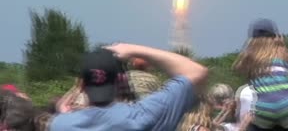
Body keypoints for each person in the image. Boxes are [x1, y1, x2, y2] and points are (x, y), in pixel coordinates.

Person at [49, 43, 208, 131]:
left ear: (82, 85)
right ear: (120, 81)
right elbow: (197, 71)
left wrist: (65, 114)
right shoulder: (145, 115)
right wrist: (133, 49)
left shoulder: (60, 125)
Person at [233, 18, 288, 131]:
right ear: (274, 36)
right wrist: (282, 46)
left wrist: (247, 52)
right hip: (287, 106)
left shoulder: (250, 56)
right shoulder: (280, 51)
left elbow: (237, 69)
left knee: (252, 125)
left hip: (265, 108)